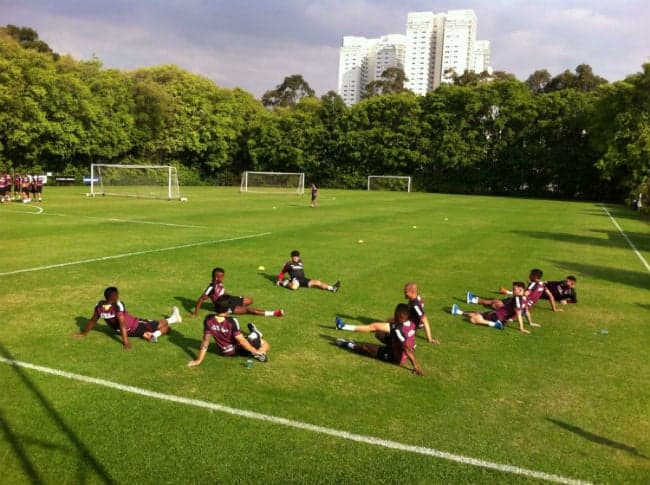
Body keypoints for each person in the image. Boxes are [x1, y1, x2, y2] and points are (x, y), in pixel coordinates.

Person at [74, 286, 182, 349]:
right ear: (115, 296)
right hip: (135, 325)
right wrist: (125, 342)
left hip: (129, 332)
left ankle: (149, 334)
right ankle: (172, 320)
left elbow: (93, 320)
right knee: (165, 327)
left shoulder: (99, 306)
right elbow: (122, 323)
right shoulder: (118, 306)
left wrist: (83, 333)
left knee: (146, 333)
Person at [335, 282, 439, 344]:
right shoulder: (416, 299)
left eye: (405, 292)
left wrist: (429, 338)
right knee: (388, 320)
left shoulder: (416, 304)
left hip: (404, 327)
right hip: (407, 325)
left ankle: (344, 327)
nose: (404, 293)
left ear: (412, 292)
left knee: (374, 328)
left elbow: (425, 320)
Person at [335, 303, 423, 376]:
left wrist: (416, 366)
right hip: (399, 347)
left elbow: (406, 349)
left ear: (399, 315)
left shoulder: (398, 328)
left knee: (366, 347)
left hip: (396, 357)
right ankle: (344, 328)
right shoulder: (412, 323)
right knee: (379, 333)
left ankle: (347, 344)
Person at [187, 295, 269, 367]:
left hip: (224, 351)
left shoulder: (208, 319)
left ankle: (254, 334)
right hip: (236, 349)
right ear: (228, 309)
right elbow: (242, 341)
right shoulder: (232, 321)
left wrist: (198, 360)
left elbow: (205, 341)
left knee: (246, 336)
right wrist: (256, 352)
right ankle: (257, 340)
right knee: (264, 343)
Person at [190, 267, 283, 317]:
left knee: (250, 300)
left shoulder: (219, 282)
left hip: (230, 300)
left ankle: (238, 308)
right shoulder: (211, 287)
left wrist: (232, 297)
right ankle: (274, 313)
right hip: (225, 306)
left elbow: (223, 292)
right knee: (249, 310)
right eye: (222, 276)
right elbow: (201, 299)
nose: (224, 278)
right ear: (216, 277)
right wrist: (195, 313)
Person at [451, 281, 531, 333]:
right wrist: (530, 322)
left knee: (474, 319)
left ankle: (494, 324)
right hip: (501, 318)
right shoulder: (524, 299)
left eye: (514, 289)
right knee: (478, 313)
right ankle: (458, 312)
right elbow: (526, 311)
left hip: (497, 315)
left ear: (520, 290)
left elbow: (519, 314)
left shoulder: (517, 299)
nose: (512, 291)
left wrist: (521, 328)